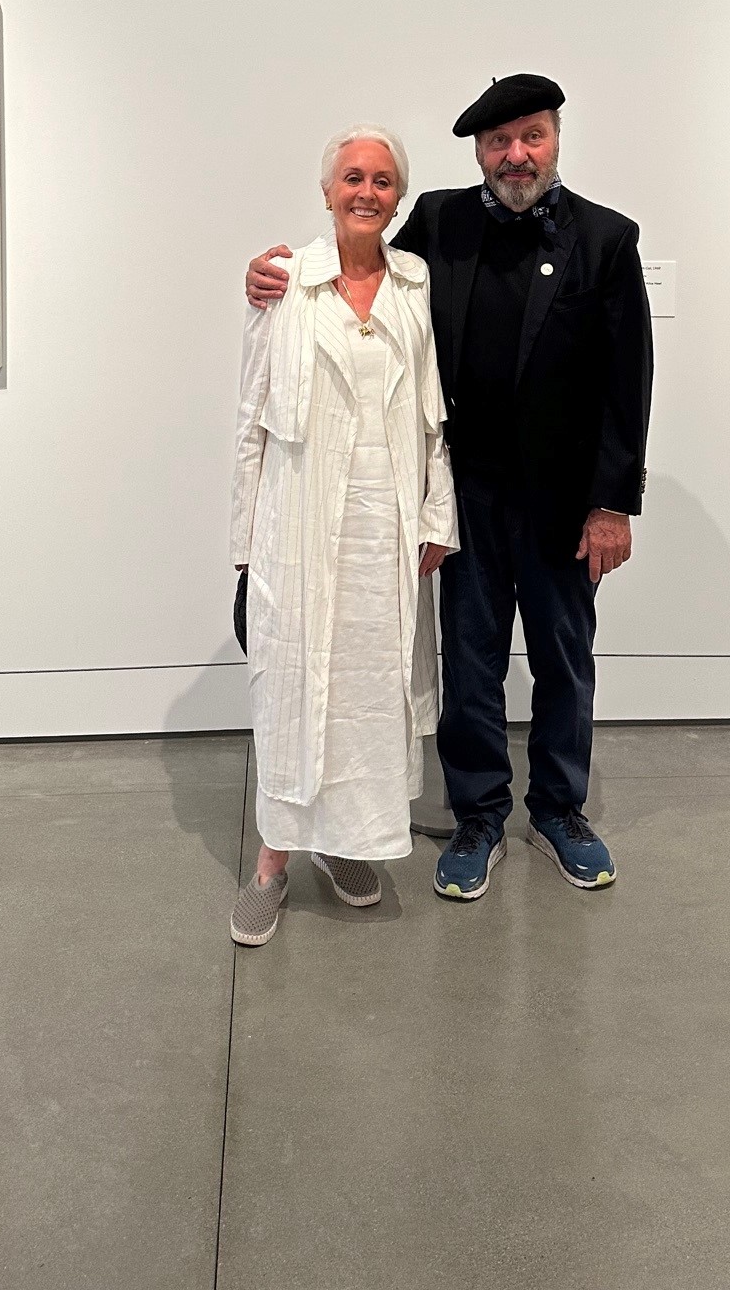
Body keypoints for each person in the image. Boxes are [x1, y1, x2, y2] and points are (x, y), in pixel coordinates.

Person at [246, 75, 654, 903]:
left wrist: (613, 504)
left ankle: (560, 810)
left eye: (531, 137)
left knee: (563, 660)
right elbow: (358, 264)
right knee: (470, 663)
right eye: (499, 142)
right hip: (463, 495)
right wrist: (268, 272)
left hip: (564, 505)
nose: (516, 155)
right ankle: (477, 815)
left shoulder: (607, 239)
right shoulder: (440, 221)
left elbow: (627, 381)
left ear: (555, 140)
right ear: (477, 151)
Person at [228, 126, 457, 947]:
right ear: (327, 191)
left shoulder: (414, 284)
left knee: (368, 695)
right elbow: (252, 419)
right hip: (298, 525)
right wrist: (246, 549)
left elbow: (434, 416)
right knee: (294, 693)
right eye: (353, 177)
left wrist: (438, 516)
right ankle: (272, 865)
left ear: (399, 198)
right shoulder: (284, 283)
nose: (368, 191)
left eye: (384, 181)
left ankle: (348, 845)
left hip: (384, 531)